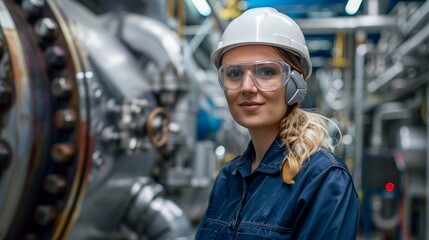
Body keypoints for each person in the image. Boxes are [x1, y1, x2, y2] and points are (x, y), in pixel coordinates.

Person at [195, 7, 360, 240]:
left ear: (296, 84)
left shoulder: (323, 179)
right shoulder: (228, 178)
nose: (247, 87)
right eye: (234, 73)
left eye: (266, 71)